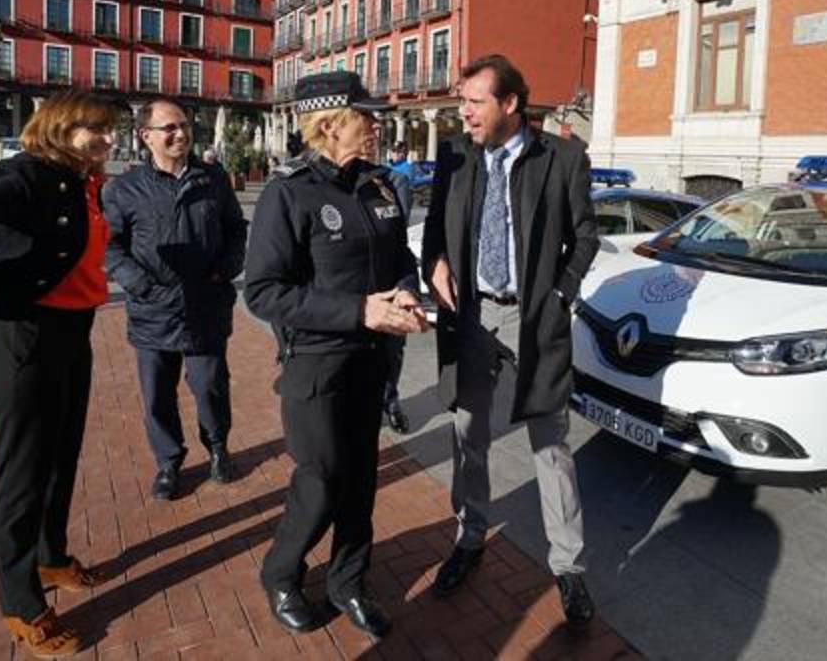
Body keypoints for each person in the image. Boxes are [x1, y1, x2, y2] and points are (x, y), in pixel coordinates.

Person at [244, 71, 428, 639]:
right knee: (321, 477)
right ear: (329, 125)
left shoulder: (380, 185)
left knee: (361, 479)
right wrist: (359, 311)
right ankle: (281, 573)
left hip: (373, 359)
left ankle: (349, 580)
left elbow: (402, 258)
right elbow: (263, 292)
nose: (377, 124)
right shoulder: (288, 192)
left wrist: (405, 290)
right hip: (317, 364)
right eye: (365, 116)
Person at [420, 54, 600, 625]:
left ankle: (569, 568)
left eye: (474, 102)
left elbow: (587, 235)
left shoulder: (563, 157)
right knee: (468, 433)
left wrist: (559, 294)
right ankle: (469, 537)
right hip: (472, 316)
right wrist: (436, 264)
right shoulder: (455, 156)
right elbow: (434, 228)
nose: (464, 113)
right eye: (462, 102)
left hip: (533, 318)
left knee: (551, 443)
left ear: (510, 104)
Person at [0, 91, 117, 657]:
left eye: (111, 131)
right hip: (25, 337)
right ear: (64, 128)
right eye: (97, 130)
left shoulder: (85, 180)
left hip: (75, 334)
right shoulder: (27, 177)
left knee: (61, 456)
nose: (109, 141)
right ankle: (22, 606)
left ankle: (50, 554)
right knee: (21, 473)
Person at [103, 99, 248, 501]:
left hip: (206, 306)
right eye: (169, 127)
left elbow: (236, 229)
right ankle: (169, 463)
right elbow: (110, 247)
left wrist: (226, 268)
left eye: (184, 125)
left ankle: (218, 447)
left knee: (210, 386)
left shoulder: (213, 179)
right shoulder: (124, 189)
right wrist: (139, 283)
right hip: (152, 310)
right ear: (145, 136)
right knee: (157, 394)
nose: (181, 134)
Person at [382, 142, 415, 434]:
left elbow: (398, 231)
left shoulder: (397, 180)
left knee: (393, 350)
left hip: (389, 277)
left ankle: (391, 402)